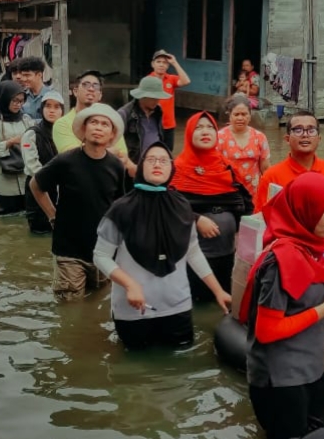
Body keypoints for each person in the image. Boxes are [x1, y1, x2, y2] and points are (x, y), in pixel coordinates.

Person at [237, 173, 324, 439]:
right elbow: (267, 331)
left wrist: (320, 346)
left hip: (309, 368)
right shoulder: (281, 262)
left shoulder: (310, 251)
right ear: (306, 209)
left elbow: (299, 310)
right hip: (281, 380)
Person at [94, 142, 232, 350]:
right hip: (132, 309)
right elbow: (100, 256)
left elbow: (193, 253)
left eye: (164, 160)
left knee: (180, 364)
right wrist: (130, 285)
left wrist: (218, 291)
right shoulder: (121, 209)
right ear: (140, 166)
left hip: (177, 305)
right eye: (151, 159)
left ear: (171, 168)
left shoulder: (182, 207)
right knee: (136, 368)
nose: (157, 164)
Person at [30, 103, 126, 301]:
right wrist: (52, 216)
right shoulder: (65, 161)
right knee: (70, 311)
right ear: (83, 129)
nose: (98, 127)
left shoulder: (116, 166)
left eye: (104, 124)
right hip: (69, 251)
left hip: (103, 251)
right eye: (93, 122)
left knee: (99, 306)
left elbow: (121, 206)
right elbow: (36, 185)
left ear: (111, 134)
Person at [171, 111, 253, 300]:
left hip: (227, 254)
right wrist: (197, 220)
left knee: (224, 301)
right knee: (196, 301)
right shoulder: (176, 169)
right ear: (189, 133)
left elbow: (246, 202)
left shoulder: (226, 167)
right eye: (199, 127)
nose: (205, 131)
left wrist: (243, 233)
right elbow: (167, 207)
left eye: (210, 127)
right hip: (192, 256)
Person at [255, 110, 324, 251]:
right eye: (298, 130)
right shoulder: (272, 176)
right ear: (287, 138)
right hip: (291, 255)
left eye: (311, 130)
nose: (305, 134)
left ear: (319, 138)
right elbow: (261, 223)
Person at [52, 70, 130, 159]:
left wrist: (89, 150)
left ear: (100, 95)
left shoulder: (111, 122)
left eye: (95, 86)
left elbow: (122, 157)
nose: (91, 89)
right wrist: (107, 151)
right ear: (75, 91)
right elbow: (74, 157)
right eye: (86, 84)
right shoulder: (62, 123)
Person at [0, 81, 35, 216]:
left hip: (24, 176)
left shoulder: (26, 119)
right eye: (14, 101)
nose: (18, 104)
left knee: (26, 215)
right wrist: (11, 142)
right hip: (4, 181)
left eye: (21, 101)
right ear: (4, 99)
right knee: (6, 217)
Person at [22, 91, 64, 233]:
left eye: (57, 107)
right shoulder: (31, 134)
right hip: (37, 189)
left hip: (59, 191)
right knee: (39, 231)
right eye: (48, 106)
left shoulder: (65, 134)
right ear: (41, 109)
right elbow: (33, 166)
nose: (52, 110)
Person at [117, 76, 169, 183]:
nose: (156, 101)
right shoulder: (125, 114)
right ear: (142, 96)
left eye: (158, 97)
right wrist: (129, 165)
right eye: (152, 97)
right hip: (132, 170)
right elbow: (114, 143)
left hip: (153, 168)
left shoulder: (158, 112)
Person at [218, 95, 271, 197]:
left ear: (250, 115)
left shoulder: (259, 137)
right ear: (230, 115)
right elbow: (215, 167)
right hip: (228, 191)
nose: (240, 118)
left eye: (244, 114)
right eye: (236, 114)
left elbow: (265, 168)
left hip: (254, 191)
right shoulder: (220, 137)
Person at [148, 49, 191, 151]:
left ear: (168, 66)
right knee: (153, 151)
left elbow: (186, 81)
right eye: (158, 62)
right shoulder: (148, 80)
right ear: (152, 64)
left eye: (165, 63)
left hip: (169, 124)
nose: (161, 65)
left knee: (168, 152)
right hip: (152, 124)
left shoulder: (170, 79)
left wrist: (175, 63)